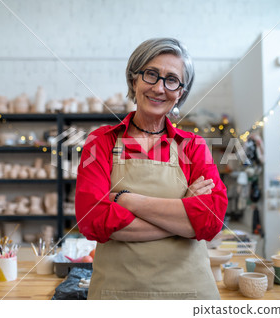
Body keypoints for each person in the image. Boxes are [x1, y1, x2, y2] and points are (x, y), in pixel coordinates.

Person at [75, 38, 228, 300]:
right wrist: (184, 215)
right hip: (118, 296)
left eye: (172, 80)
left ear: (180, 92)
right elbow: (92, 220)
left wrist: (127, 200)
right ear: (134, 80)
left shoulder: (192, 146)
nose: (159, 88)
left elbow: (211, 219)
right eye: (151, 74)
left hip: (190, 294)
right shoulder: (101, 142)